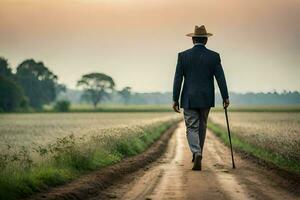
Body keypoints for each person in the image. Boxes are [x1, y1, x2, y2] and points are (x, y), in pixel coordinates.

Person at [172, 25, 230, 170]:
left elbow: (178, 79)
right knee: (202, 126)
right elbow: (220, 78)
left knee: (192, 127)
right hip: (206, 98)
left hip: (189, 98)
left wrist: (175, 99)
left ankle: (196, 152)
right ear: (206, 40)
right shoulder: (214, 56)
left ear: (192, 40)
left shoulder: (183, 56)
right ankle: (199, 152)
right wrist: (225, 97)